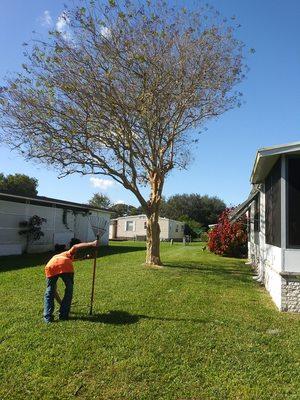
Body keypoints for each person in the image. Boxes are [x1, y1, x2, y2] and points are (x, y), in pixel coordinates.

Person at [43, 240, 97, 323]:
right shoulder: (68, 254)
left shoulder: (58, 256)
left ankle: (48, 317)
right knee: (69, 289)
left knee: (50, 291)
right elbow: (75, 246)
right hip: (66, 265)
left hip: (50, 266)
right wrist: (92, 243)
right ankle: (63, 315)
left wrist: (61, 303)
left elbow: (54, 292)